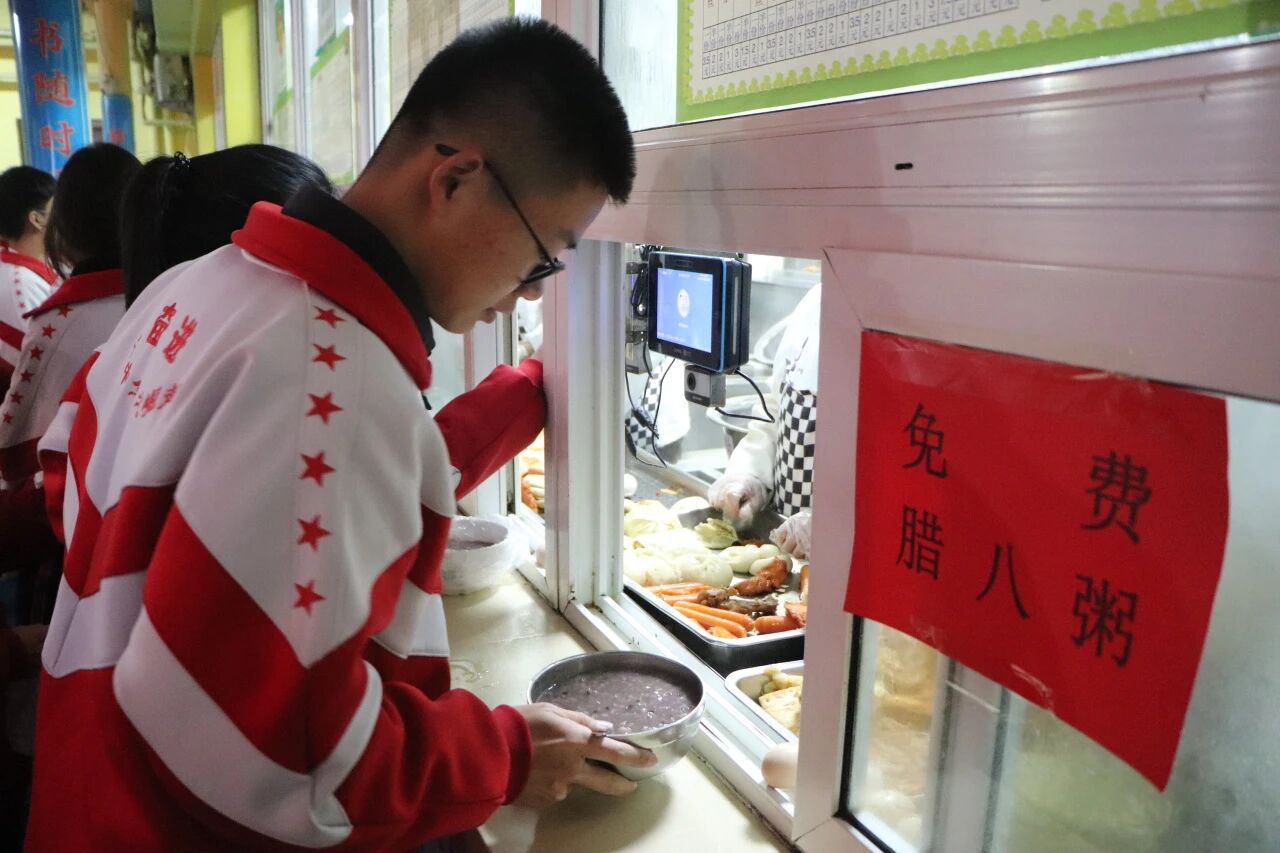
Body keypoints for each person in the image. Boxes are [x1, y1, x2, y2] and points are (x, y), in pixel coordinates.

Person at [27, 19, 647, 852]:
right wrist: (502, 755)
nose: (531, 293)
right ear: (456, 179)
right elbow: (290, 768)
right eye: (543, 256)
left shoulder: (195, 286)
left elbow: (70, 482)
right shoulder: (338, 379)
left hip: (78, 793)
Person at [708, 285, 821, 560]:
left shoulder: (901, 318)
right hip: (783, 542)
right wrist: (750, 474)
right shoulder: (815, 301)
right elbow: (776, 404)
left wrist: (835, 521)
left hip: (853, 554)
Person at [0, 167, 57, 395]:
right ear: (37, 219)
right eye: (58, 206)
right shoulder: (22, 285)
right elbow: (46, 372)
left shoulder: (31, 269)